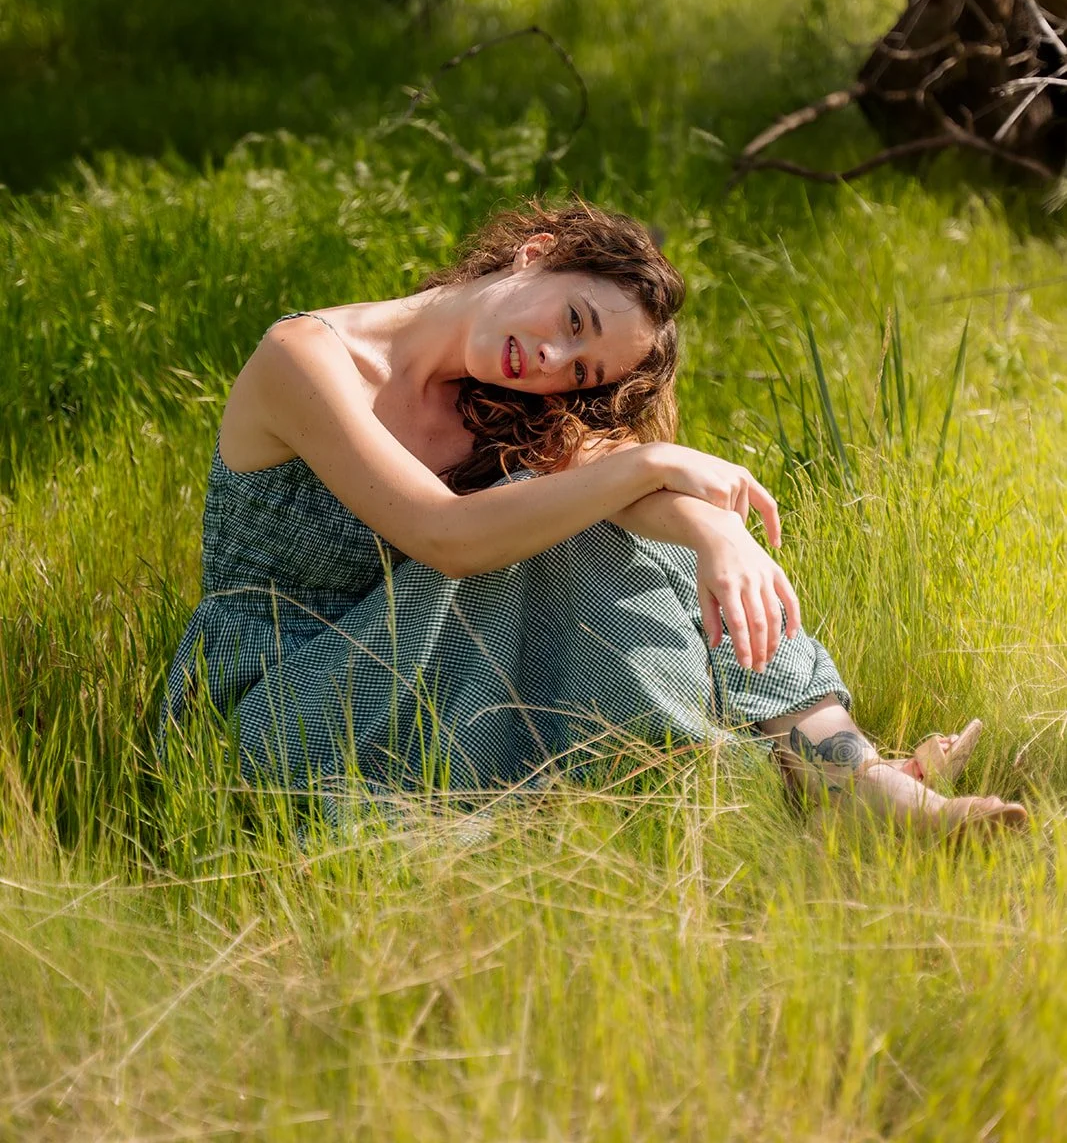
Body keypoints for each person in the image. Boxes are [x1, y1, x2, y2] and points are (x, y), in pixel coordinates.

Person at [161, 202, 1026, 834]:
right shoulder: (305, 356)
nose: (548, 363)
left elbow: (616, 487)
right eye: (570, 320)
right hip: (277, 705)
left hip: (422, 681)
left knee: (606, 520)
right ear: (534, 254)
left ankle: (850, 771)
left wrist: (718, 533)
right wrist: (652, 465)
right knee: (548, 519)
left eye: (578, 373)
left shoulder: (499, 399)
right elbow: (445, 539)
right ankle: (796, 777)